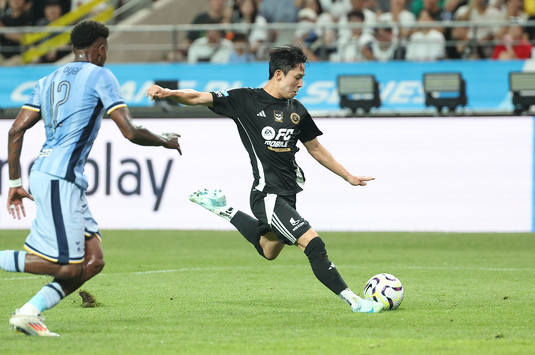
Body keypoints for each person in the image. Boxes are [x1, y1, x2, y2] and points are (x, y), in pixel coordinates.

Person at [146, 44, 384, 314]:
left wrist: (348, 176)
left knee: (268, 249)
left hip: (287, 195)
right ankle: (356, 302)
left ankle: (222, 208)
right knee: (313, 243)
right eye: (298, 77)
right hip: (266, 195)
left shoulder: (297, 110)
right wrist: (168, 93)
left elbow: (315, 148)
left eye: (303, 78)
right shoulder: (245, 100)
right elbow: (198, 97)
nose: (301, 84)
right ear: (279, 75)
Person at [3, 20, 181, 337]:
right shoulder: (101, 75)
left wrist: (15, 183)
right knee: (67, 266)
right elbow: (130, 131)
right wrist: (163, 140)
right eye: (106, 50)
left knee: (93, 260)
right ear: (100, 50)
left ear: (74, 48)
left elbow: (16, 129)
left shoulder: (47, 79)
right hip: (60, 176)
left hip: (57, 176)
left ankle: (29, 312)